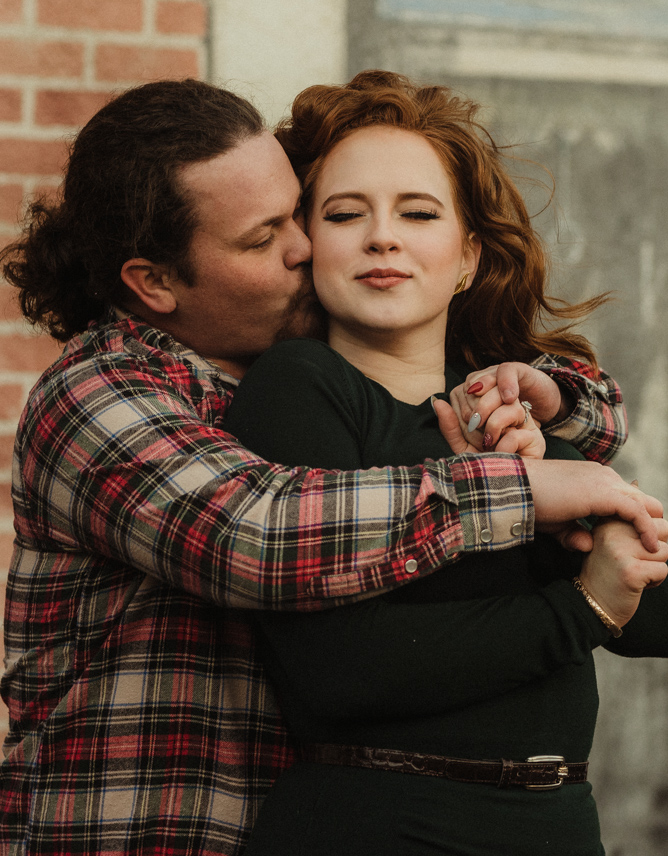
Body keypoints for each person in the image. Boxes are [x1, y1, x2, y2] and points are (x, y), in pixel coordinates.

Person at [0, 79, 659, 856]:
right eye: (264, 237)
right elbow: (259, 534)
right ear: (155, 283)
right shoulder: (101, 393)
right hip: (145, 832)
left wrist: (558, 405)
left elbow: (553, 417)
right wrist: (525, 495)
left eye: (297, 215)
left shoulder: (331, 371)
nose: (305, 247)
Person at [220, 71, 668, 856]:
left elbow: (652, 616)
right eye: (344, 213)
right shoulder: (298, 390)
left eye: (417, 212)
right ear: (308, 248)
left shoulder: (514, 421)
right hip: (384, 825)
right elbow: (343, 671)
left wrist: (588, 536)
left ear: (466, 256)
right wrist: (581, 609)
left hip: (558, 827)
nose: (381, 237)